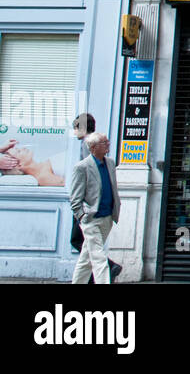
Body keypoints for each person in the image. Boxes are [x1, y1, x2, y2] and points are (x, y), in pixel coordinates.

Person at [69, 115, 122, 283]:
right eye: (104, 143)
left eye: (107, 142)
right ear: (94, 147)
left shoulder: (110, 163)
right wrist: (82, 216)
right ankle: (108, 272)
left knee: (86, 259)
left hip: (106, 216)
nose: (108, 145)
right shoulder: (83, 163)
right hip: (90, 216)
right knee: (99, 259)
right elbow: (77, 194)